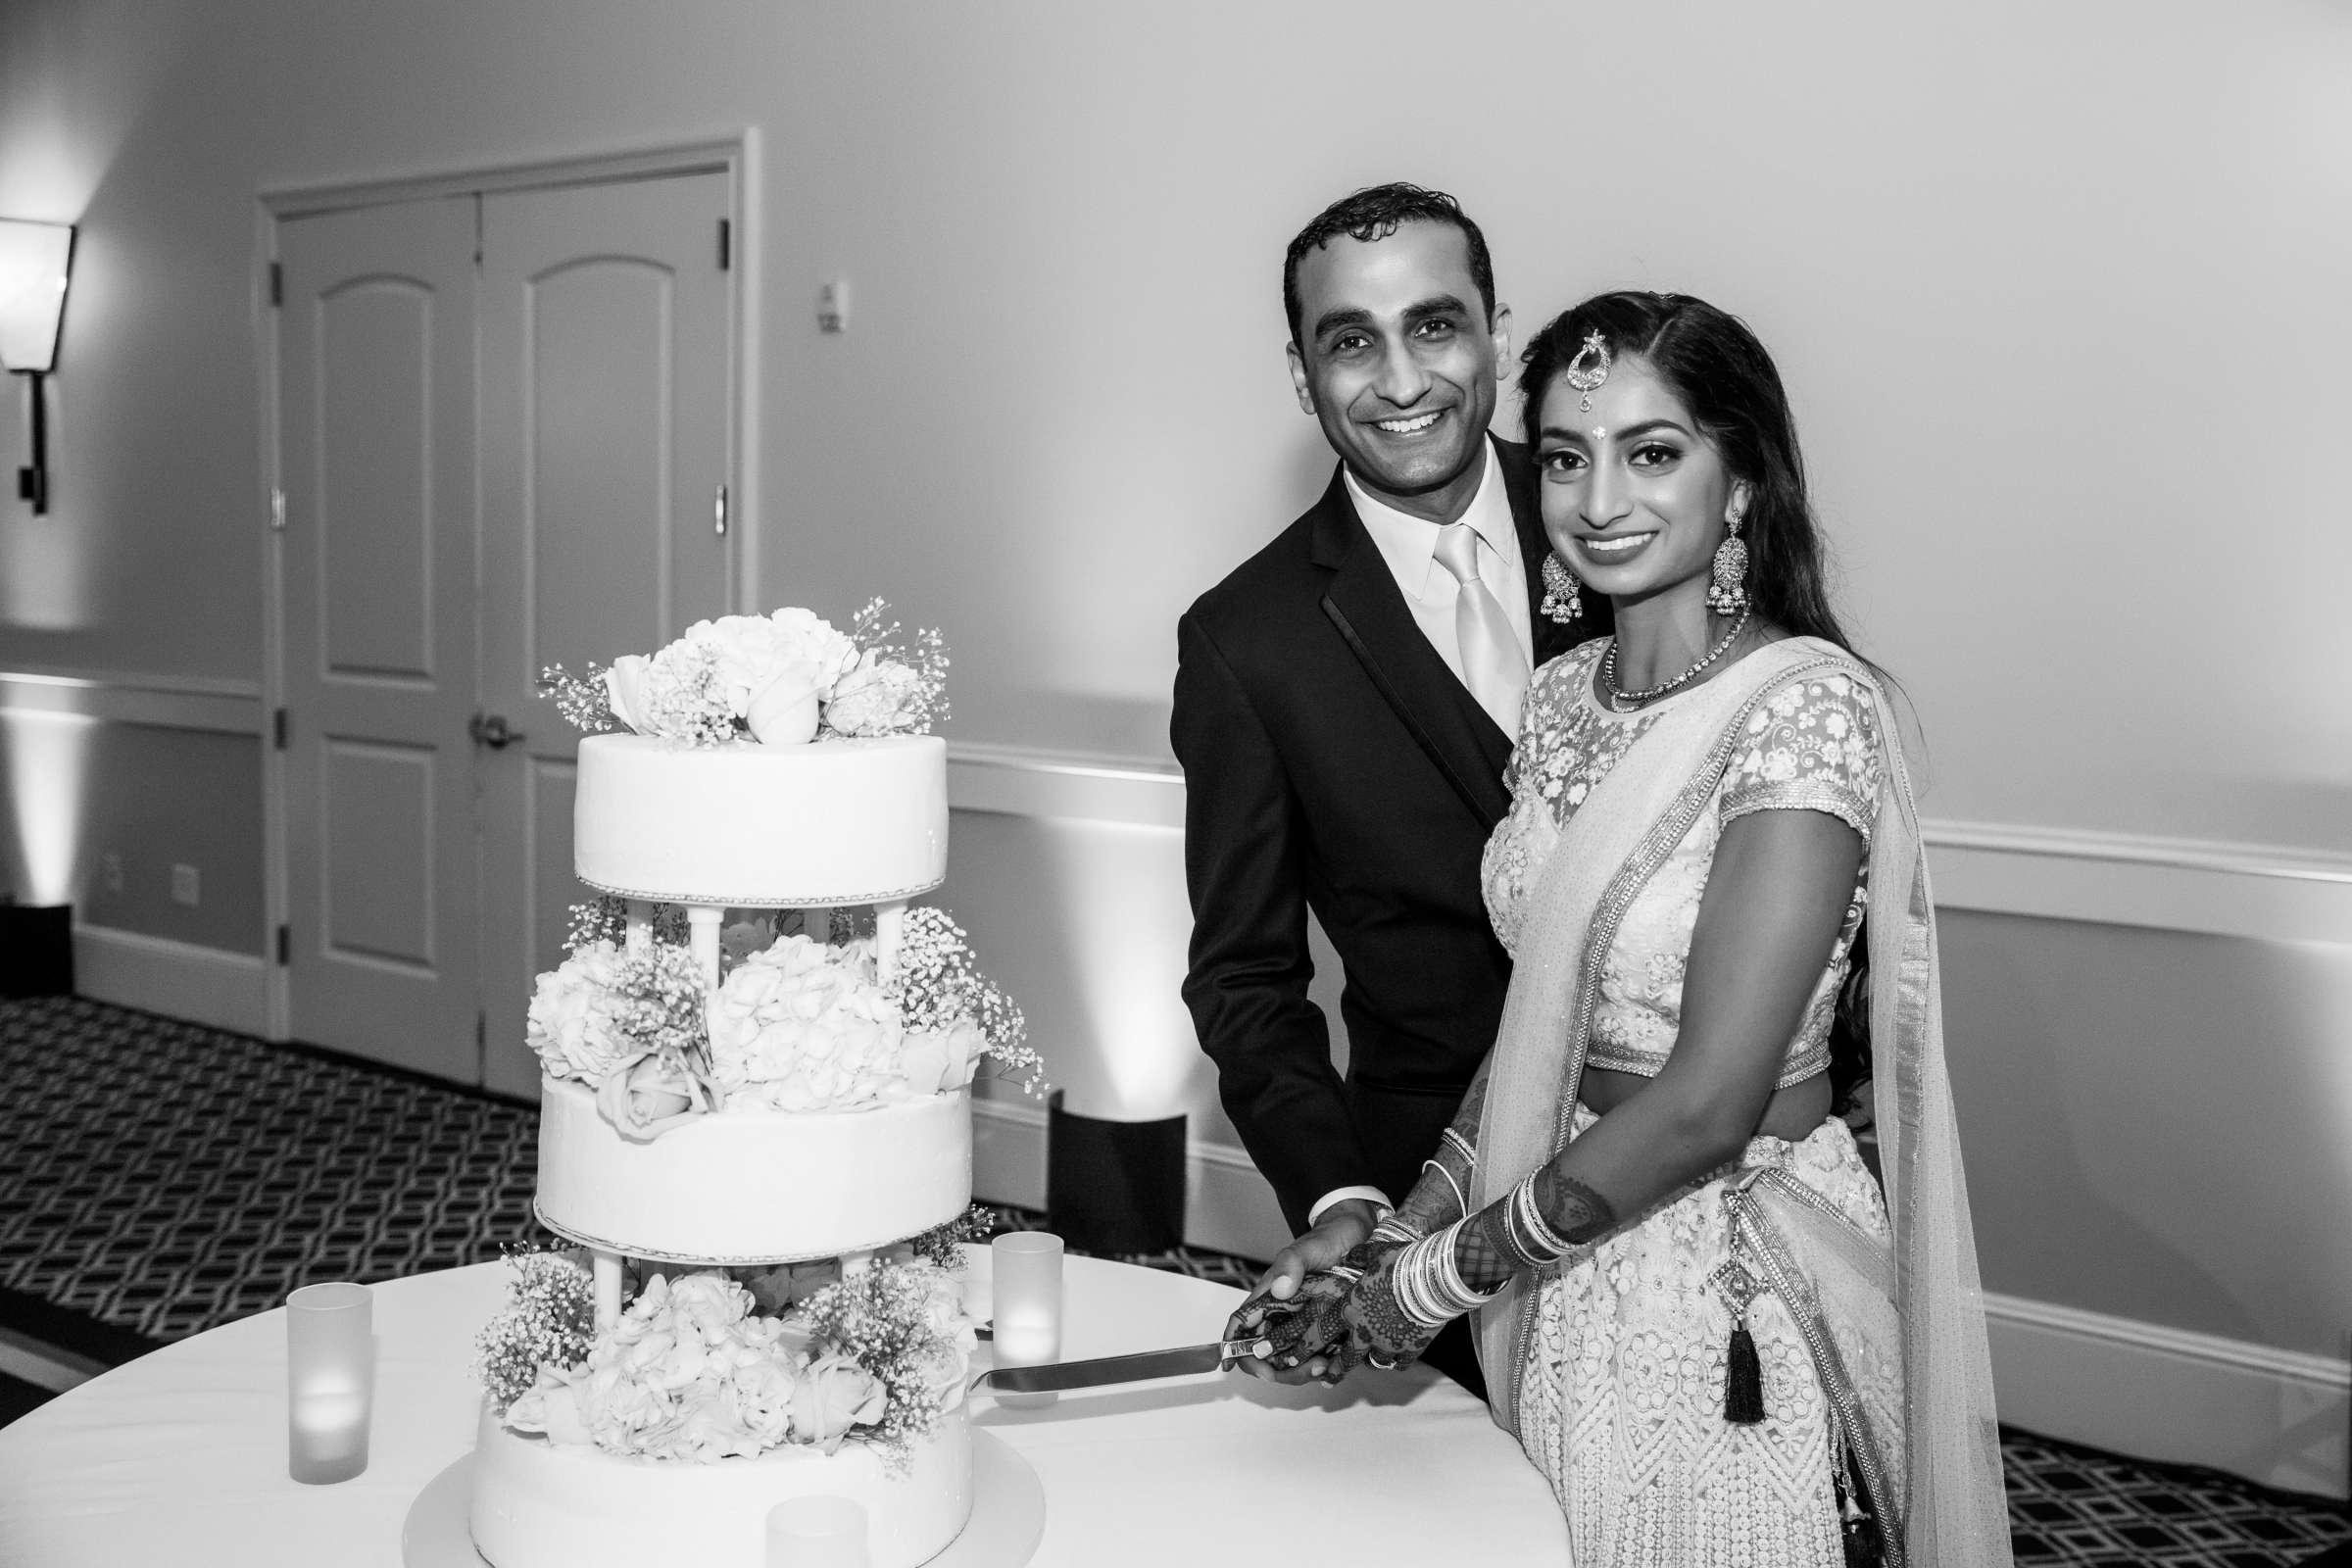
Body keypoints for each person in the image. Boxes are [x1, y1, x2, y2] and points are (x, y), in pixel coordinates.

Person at [1243, 291, 2012, 1565]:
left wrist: (1436, 1281)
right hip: (1561, 1238)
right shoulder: (1558, 702)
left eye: (1652, 452)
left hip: (1727, 1261)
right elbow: (1548, 1004)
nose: (1598, 497)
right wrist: (1420, 1208)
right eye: (1562, 455)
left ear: (1746, 485)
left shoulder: (1804, 710)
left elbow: (1714, 1097)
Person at [1171, 184, 1597, 1395]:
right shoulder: (1245, 641)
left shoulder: (1619, 528)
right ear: (1304, 376)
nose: (1402, 379)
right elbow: (1246, 978)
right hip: (1436, 1208)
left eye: (1436, 324)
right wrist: (1347, 1194)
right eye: (1350, 340)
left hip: (1684, 1165)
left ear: (1498, 334)